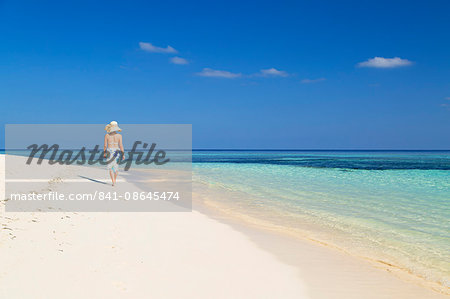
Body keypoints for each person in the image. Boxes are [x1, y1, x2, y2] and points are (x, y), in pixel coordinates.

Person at [103, 121, 124, 186]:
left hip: (109, 151)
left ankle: (113, 181)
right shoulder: (119, 136)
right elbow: (121, 145)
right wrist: (123, 154)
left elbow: (105, 145)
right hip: (116, 151)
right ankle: (115, 180)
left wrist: (104, 153)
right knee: (116, 167)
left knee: (110, 167)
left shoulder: (107, 135)